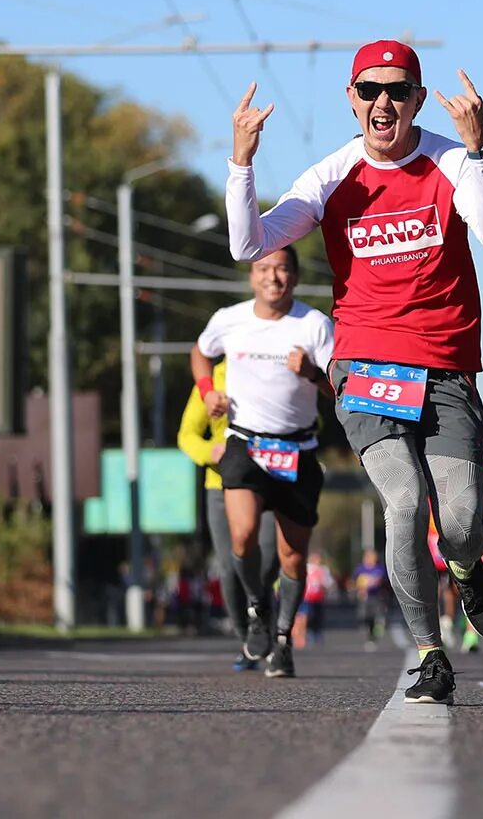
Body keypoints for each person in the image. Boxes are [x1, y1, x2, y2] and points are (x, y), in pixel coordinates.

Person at [226, 39, 483, 704]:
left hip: (444, 366)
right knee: (406, 502)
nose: (383, 102)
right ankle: (431, 652)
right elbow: (250, 243)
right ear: (351, 100)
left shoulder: (449, 158)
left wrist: (482, 149)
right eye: (369, 90)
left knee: (464, 517)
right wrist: (241, 160)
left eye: (397, 90)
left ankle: (469, 568)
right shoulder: (332, 175)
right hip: (366, 367)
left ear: (417, 99)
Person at [190, 245, 335, 680]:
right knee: (242, 535)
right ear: (252, 276)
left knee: (293, 558)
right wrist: (206, 390)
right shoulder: (228, 319)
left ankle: (285, 639)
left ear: (294, 276)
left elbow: (342, 386)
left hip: (298, 449)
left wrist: (312, 373)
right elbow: (200, 352)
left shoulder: (314, 325)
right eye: (264, 269)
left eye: (283, 270)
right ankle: (257, 608)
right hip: (245, 444)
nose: (274, 277)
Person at [177, 360, 280, 670]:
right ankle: (248, 640)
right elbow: (187, 435)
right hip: (220, 484)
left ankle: (266, 628)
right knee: (230, 568)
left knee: (267, 563)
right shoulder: (213, 381)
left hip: (270, 480)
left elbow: (309, 418)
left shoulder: (276, 369)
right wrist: (211, 451)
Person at [294, 551, 335, 648]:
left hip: (318, 598)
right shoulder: (307, 568)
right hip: (306, 598)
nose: (317, 561)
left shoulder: (324, 570)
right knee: (303, 617)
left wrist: (324, 586)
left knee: (317, 617)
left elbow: (329, 583)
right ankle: (300, 636)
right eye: (315, 559)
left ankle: (316, 634)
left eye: (319, 559)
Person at [352, 548, 390, 648]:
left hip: (377, 596)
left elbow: (384, 580)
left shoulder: (379, 568)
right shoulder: (360, 569)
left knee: (377, 615)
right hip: (365, 597)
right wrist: (359, 589)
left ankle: (376, 633)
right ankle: (370, 631)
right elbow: (354, 582)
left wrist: (379, 582)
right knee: (365, 616)